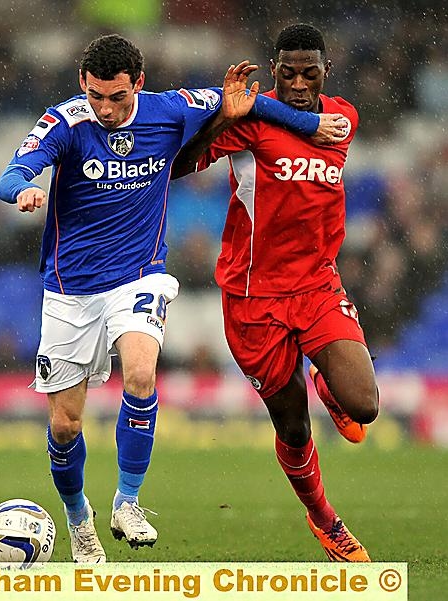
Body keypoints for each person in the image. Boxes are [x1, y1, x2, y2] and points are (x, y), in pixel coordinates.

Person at [0, 33, 348, 564]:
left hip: (139, 276)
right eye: (95, 96)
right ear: (81, 86)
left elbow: (247, 105)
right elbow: (13, 171)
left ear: (138, 84)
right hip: (70, 290)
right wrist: (22, 190)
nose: (106, 109)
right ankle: (78, 520)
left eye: (117, 97)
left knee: (139, 374)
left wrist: (312, 124)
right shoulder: (66, 122)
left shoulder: (171, 108)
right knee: (65, 426)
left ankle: (128, 501)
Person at [172, 23, 379, 562]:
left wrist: (274, 114)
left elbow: (318, 130)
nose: (298, 83)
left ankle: (328, 382)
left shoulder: (343, 117)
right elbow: (177, 166)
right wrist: (224, 118)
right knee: (291, 422)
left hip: (315, 285)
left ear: (325, 71)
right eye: (287, 72)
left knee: (365, 405)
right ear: (275, 68)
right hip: (252, 297)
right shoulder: (250, 124)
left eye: (310, 72)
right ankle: (325, 520)